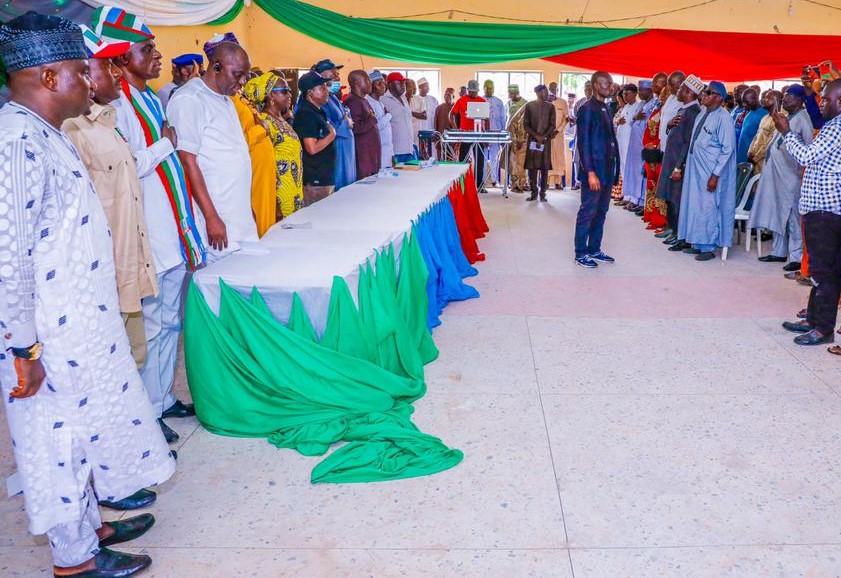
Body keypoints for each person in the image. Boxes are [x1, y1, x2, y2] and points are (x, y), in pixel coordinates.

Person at [0, 12, 176, 577]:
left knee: (87, 431)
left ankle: (91, 522)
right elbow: (9, 258)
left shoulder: (44, 133)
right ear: (49, 77)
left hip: (78, 324)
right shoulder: (14, 142)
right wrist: (22, 349)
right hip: (45, 338)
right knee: (57, 442)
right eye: (81, 71)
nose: (93, 80)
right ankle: (75, 560)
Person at [95, 5, 203, 444]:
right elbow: (126, 166)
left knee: (169, 322)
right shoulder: (114, 104)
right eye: (147, 49)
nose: (157, 56)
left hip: (170, 225)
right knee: (154, 323)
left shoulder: (145, 95)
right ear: (121, 59)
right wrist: (164, 145)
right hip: (149, 228)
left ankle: (161, 399)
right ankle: (145, 411)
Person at [62, 26, 156, 373]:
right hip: (101, 280)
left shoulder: (106, 121)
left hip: (126, 272)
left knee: (135, 358)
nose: (116, 73)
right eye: (106, 65)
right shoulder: (71, 130)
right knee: (110, 369)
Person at [168, 41, 257, 263]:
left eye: (245, 75)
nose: (242, 82)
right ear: (216, 67)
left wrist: (247, 208)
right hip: (218, 220)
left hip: (238, 216)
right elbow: (187, 161)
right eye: (237, 75)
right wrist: (211, 217)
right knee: (222, 289)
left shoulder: (225, 98)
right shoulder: (189, 99)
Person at [776, 79, 841, 346]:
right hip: (820, 210)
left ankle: (822, 328)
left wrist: (787, 133)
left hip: (826, 211)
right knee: (820, 270)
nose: (820, 103)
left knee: (824, 272)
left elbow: (806, 156)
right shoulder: (831, 126)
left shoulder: (837, 128)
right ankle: (813, 320)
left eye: (825, 99)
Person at [750, 85, 813, 270]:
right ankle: (779, 251)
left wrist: (802, 175)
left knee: (793, 216)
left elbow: (809, 147)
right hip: (777, 174)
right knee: (778, 212)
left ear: (800, 100)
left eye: (788, 97)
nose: (784, 100)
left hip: (792, 176)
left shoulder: (803, 118)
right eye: (784, 96)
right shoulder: (785, 116)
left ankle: (795, 256)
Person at [677, 81, 737, 261]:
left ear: (719, 98)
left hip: (710, 172)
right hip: (696, 170)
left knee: (708, 208)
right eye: (704, 91)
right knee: (695, 206)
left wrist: (715, 174)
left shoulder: (724, 117)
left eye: (708, 92)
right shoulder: (702, 113)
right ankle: (697, 242)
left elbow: (728, 149)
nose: (703, 95)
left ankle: (708, 247)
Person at [242, 72, 304, 220]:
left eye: (289, 90)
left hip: (294, 189)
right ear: (271, 96)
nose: (289, 94)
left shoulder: (281, 120)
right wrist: (275, 204)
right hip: (280, 194)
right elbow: (266, 161)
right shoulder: (264, 122)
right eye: (284, 91)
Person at [574, 71, 620, 268]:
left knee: (601, 211)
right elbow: (583, 144)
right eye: (603, 84)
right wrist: (590, 172)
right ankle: (580, 253)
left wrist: (616, 169)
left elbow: (610, 140)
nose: (608, 87)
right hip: (594, 171)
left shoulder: (606, 108)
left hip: (607, 169)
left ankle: (594, 248)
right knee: (588, 211)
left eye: (609, 84)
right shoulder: (587, 109)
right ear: (594, 86)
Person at [658, 74, 703, 249]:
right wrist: (669, 125)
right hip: (671, 157)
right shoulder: (683, 109)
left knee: (676, 198)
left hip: (678, 162)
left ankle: (679, 234)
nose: (678, 91)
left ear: (690, 93)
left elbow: (687, 141)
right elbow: (674, 133)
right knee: (669, 196)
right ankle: (672, 229)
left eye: (682, 89)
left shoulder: (693, 112)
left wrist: (678, 166)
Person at [232, 74, 279, 237]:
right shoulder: (230, 102)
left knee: (267, 209)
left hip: (263, 166)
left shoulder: (240, 98)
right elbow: (237, 141)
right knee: (259, 209)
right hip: (253, 163)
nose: (244, 80)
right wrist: (262, 129)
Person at [293, 70, 337, 205]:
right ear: (310, 92)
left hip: (324, 178)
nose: (326, 90)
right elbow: (311, 148)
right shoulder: (306, 114)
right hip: (315, 182)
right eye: (322, 88)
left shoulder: (317, 111)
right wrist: (332, 135)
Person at [313, 59, 355, 189]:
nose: (338, 78)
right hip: (337, 149)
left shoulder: (332, 97)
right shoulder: (322, 100)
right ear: (322, 77)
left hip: (347, 149)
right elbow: (328, 127)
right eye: (334, 75)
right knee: (339, 190)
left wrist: (346, 118)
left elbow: (348, 118)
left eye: (337, 75)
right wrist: (345, 121)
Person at [450, 79, 487, 190]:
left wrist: (487, 133)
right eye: (471, 92)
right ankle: (463, 185)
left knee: (480, 160)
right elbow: (451, 114)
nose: (473, 94)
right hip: (465, 134)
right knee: (463, 160)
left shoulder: (482, 101)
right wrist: (456, 128)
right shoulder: (462, 100)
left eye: (475, 92)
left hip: (478, 134)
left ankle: (479, 185)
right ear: (468, 90)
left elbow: (487, 118)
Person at [344, 69, 381, 179]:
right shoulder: (352, 101)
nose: (370, 83)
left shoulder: (362, 100)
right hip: (363, 158)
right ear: (357, 83)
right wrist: (372, 120)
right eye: (367, 80)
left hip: (371, 157)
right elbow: (354, 129)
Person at [523, 84, 557, 202]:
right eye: (544, 92)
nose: (547, 94)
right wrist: (536, 136)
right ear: (537, 93)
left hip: (545, 142)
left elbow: (553, 125)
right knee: (532, 168)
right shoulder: (529, 106)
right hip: (533, 141)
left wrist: (543, 136)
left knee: (544, 167)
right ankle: (534, 192)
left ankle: (543, 193)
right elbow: (525, 125)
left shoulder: (551, 107)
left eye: (547, 92)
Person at [618, 82, 647, 209]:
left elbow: (635, 122)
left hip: (631, 143)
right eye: (623, 94)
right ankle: (626, 196)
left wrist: (633, 118)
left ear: (635, 94)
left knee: (633, 170)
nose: (625, 96)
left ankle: (634, 199)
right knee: (624, 169)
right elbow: (618, 121)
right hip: (621, 142)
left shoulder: (638, 106)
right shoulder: (625, 107)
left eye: (627, 94)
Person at [381, 71, 415, 163]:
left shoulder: (404, 98)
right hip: (396, 152)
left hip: (409, 149)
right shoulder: (383, 100)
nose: (403, 85)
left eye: (404, 83)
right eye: (399, 83)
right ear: (390, 85)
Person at [747, 90, 783, 174]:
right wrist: (750, 151)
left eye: (768, 98)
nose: (764, 100)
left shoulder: (779, 120)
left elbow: (770, 143)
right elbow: (756, 136)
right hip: (755, 161)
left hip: (765, 161)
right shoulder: (765, 118)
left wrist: (755, 157)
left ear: (776, 100)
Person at [366, 70, 394, 169]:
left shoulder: (380, 103)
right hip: (378, 153)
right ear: (370, 86)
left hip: (387, 152)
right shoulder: (368, 103)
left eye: (383, 83)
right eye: (379, 84)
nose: (383, 86)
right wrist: (388, 116)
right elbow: (375, 126)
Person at [547, 81, 570, 190]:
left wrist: (558, 130)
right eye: (550, 88)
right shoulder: (545, 102)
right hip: (547, 135)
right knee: (547, 158)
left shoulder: (563, 102)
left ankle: (558, 182)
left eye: (554, 89)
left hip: (558, 135)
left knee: (559, 158)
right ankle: (545, 182)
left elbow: (566, 119)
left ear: (557, 90)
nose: (552, 90)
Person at [483, 79, 506, 186]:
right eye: (487, 88)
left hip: (496, 134)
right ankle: (483, 181)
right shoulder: (480, 100)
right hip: (482, 134)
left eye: (491, 88)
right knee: (482, 158)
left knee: (494, 158)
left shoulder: (499, 102)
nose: (489, 90)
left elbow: (503, 119)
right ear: (484, 88)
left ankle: (493, 180)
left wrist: (502, 136)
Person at [736, 88, 768, 164]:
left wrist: (754, 158)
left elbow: (764, 141)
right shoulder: (749, 112)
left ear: (756, 98)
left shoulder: (764, 115)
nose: (744, 105)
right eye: (743, 102)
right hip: (742, 157)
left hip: (752, 160)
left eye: (746, 101)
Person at [506, 104, 528, 192]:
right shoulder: (530, 107)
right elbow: (521, 123)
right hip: (516, 137)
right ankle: (515, 185)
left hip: (523, 137)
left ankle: (522, 183)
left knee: (523, 162)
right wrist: (520, 139)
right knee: (516, 162)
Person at [418, 77, 439, 158]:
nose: (428, 88)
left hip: (431, 130)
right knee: (420, 153)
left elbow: (436, 116)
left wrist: (435, 131)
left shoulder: (433, 100)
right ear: (420, 87)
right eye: (426, 86)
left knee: (432, 154)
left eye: (428, 86)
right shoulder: (414, 99)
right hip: (419, 131)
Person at [405, 78, 427, 150]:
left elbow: (424, 116)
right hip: (405, 133)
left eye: (415, 87)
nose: (415, 88)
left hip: (417, 132)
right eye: (413, 86)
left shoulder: (419, 99)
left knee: (417, 152)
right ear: (406, 88)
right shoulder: (401, 99)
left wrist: (409, 112)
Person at [434, 87, 455, 159]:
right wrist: (436, 137)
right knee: (440, 161)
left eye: (449, 95)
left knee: (451, 161)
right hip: (440, 139)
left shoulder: (456, 108)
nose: (446, 96)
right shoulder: (439, 108)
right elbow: (436, 123)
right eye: (445, 94)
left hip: (452, 140)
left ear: (453, 96)